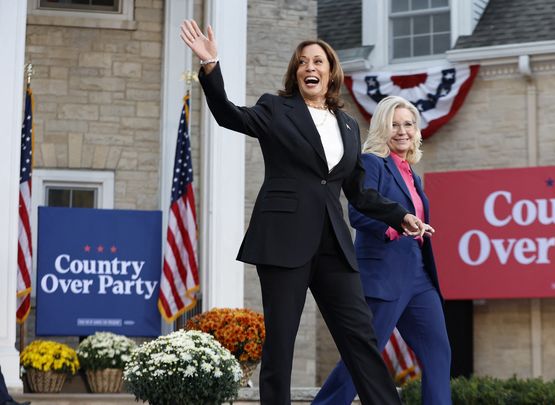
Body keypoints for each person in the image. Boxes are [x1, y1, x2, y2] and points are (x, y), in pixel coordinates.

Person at [180, 20, 434, 405]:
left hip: (333, 244)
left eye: (317, 61)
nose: (309, 67)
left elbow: (359, 192)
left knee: (360, 338)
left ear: (331, 72)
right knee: (281, 344)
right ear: (296, 72)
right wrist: (212, 64)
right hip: (283, 240)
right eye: (302, 62)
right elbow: (229, 115)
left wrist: (400, 215)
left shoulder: (348, 126)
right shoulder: (275, 109)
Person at [313, 96, 451, 405]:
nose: (402, 131)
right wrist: (399, 225)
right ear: (382, 128)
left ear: (416, 131)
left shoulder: (411, 174)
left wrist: (414, 227)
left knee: (438, 351)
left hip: (419, 275)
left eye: (409, 124)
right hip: (384, 274)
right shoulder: (372, 163)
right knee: (364, 356)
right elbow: (359, 214)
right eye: (395, 124)